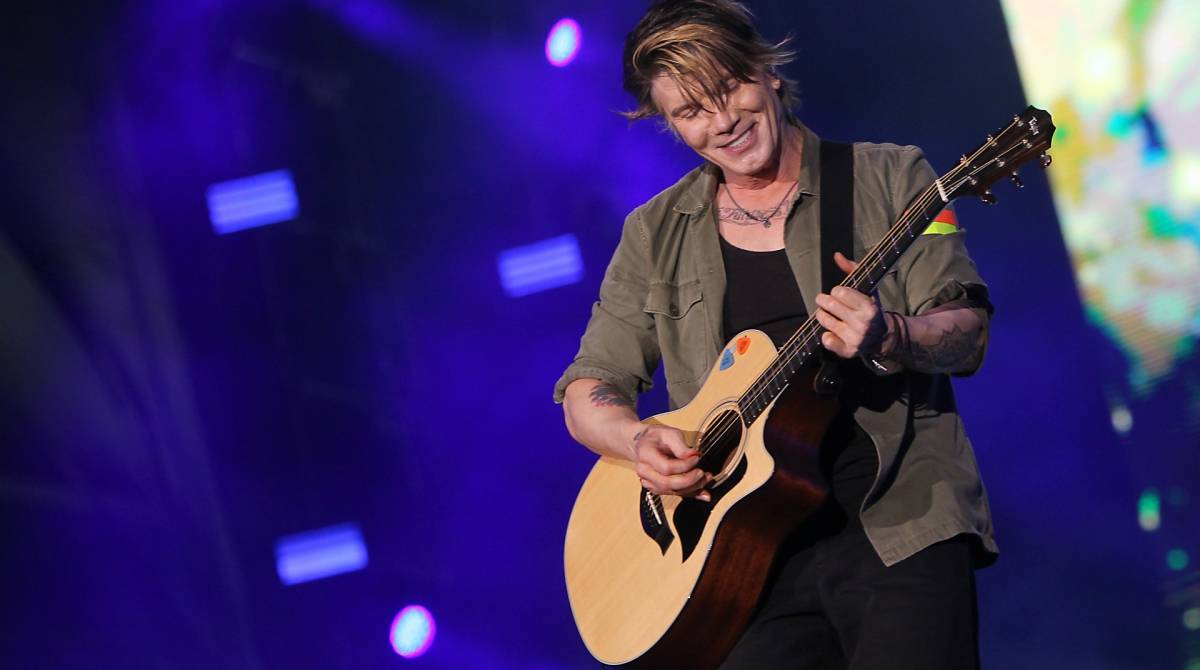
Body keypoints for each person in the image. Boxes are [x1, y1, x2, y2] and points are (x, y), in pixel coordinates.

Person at [553, 1, 997, 667]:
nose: (722, 121)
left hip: (900, 526)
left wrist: (891, 335)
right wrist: (637, 439)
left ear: (767, 72)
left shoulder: (891, 176)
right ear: (671, 125)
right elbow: (589, 389)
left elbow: (966, 333)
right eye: (691, 112)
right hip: (740, 564)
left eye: (729, 87)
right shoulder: (653, 234)